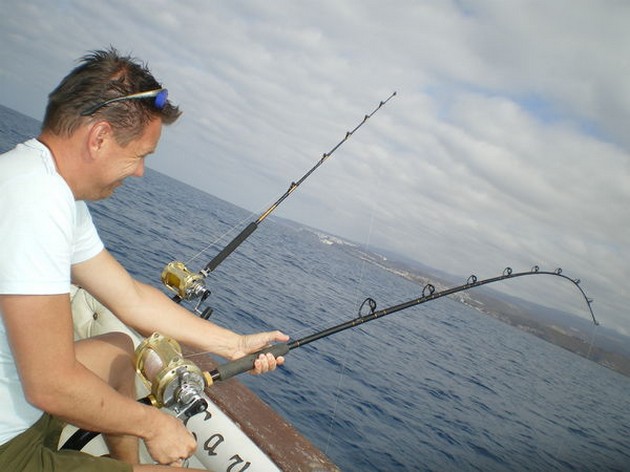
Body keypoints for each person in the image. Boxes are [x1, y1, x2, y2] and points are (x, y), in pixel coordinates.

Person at [0, 47, 289, 471]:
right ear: (99, 138)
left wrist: (235, 344)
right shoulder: (36, 202)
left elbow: (131, 297)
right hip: (9, 442)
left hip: (20, 400)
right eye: (140, 156)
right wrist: (153, 424)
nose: (139, 173)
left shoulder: (43, 183)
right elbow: (49, 385)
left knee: (119, 347)